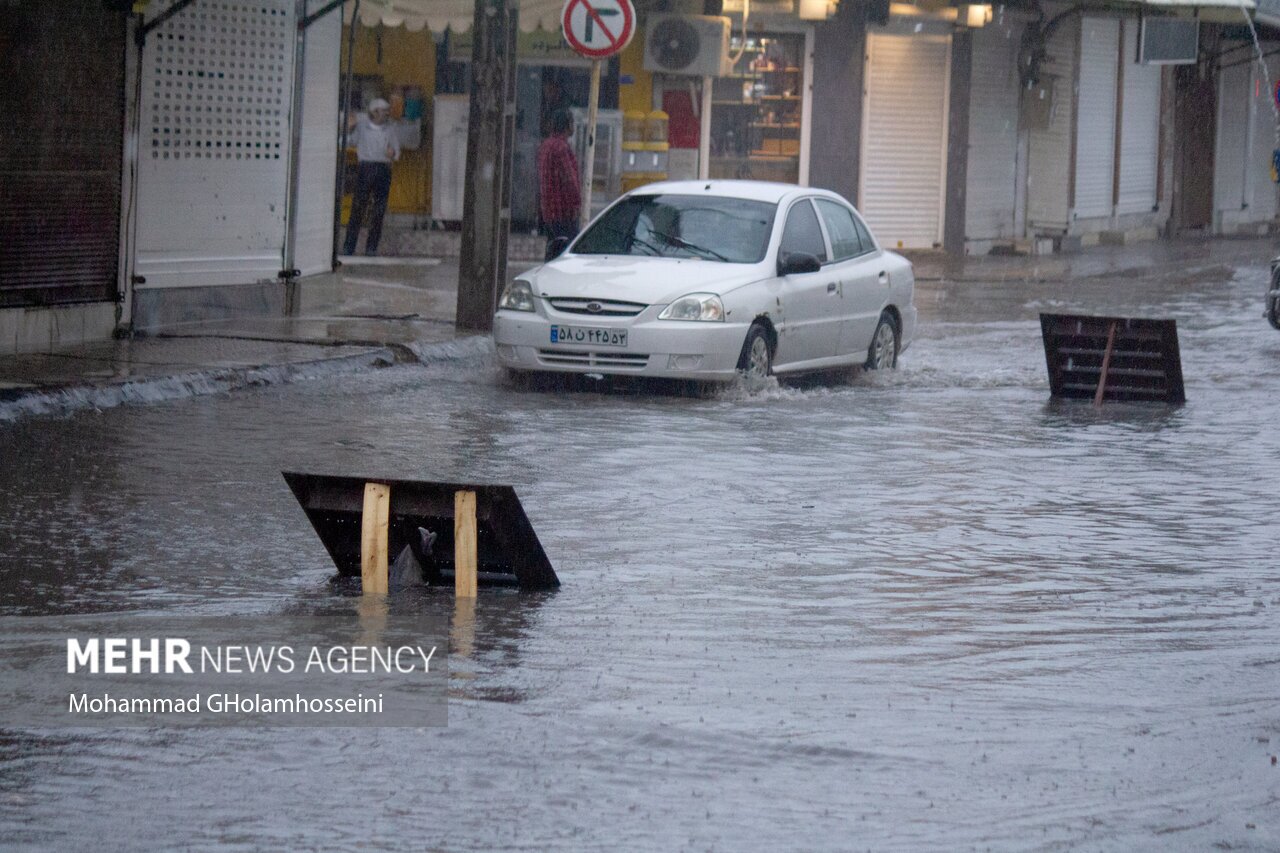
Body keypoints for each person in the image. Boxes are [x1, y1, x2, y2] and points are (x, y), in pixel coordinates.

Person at [343, 98, 400, 256]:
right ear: (374, 112)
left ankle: (371, 248)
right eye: (383, 111)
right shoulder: (361, 127)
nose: (387, 114)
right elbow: (347, 142)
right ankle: (349, 247)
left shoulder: (391, 129)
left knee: (378, 210)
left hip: (383, 169)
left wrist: (392, 153)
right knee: (358, 209)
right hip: (365, 168)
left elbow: (396, 151)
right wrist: (349, 129)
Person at [537, 109, 581, 261]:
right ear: (567, 125)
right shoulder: (562, 148)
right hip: (564, 213)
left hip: (549, 213)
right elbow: (570, 181)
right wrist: (576, 204)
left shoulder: (545, 146)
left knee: (553, 251)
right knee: (570, 253)